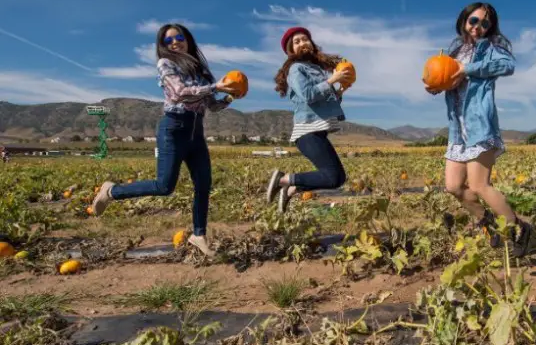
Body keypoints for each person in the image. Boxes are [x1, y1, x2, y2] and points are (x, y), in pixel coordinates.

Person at [91, 24, 240, 256]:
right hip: (173, 128)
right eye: (168, 40)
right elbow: (179, 92)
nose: (175, 42)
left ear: (188, 39)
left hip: (196, 131)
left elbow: (212, 105)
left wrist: (230, 96)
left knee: (203, 184)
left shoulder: (200, 71)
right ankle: (111, 192)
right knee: (164, 186)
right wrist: (215, 85)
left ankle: (198, 234)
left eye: (179, 37)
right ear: (163, 45)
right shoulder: (166, 64)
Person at [424, 2, 534, 257]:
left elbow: (507, 66)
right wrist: (436, 85)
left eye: (485, 24)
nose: (478, 27)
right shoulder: (454, 51)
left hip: (480, 127)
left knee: (480, 184)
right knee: (453, 187)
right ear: (465, 20)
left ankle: (520, 230)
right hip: (458, 132)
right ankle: (488, 223)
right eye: (474, 21)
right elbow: (448, 80)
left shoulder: (491, 50)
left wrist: (468, 69)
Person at [265, 27, 352, 213]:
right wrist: (331, 80)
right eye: (297, 42)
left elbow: (324, 100)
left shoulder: (316, 69)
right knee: (333, 177)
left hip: (316, 131)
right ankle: (283, 179)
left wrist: (341, 89)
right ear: (291, 50)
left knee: (336, 177)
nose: (303, 43)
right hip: (307, 132)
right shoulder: (296, 69)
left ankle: (291, 189)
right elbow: (308, 95)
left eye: (305, 39)